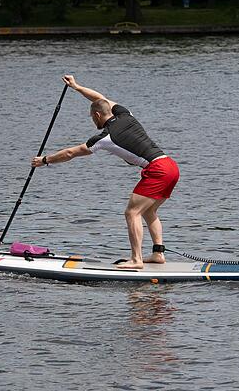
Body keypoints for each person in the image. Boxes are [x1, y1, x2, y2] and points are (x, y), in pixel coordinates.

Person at [31, 75, 180, 269]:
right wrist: (76, 87)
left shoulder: (105, 137)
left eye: (92, 117)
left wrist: (44, 160)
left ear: (97, 116)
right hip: (171, 166)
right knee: (149, 211)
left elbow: (70, 153)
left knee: (132, 213)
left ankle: (136, 260)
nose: (92, 121)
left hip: (158, 170)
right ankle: (158, 254)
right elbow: (100, 99)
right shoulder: (126, 114)